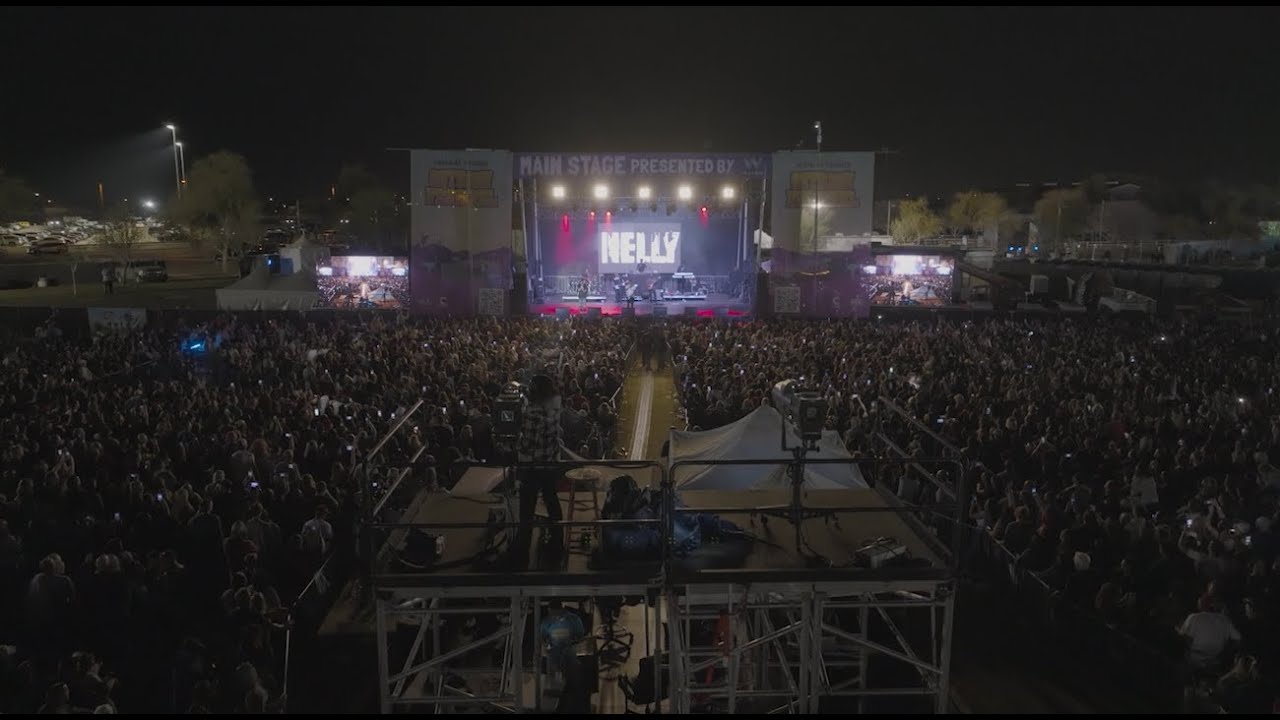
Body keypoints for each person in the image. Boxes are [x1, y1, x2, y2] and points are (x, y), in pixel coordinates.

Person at [509, 374, 563, 567]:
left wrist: (516, 443)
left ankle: (522, 551)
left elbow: (527, 445)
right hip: (550, 463)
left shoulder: (532, 414)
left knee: (527, 508)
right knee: (551, 501)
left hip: (533, 467)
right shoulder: (555, 406)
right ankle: (558, 543)